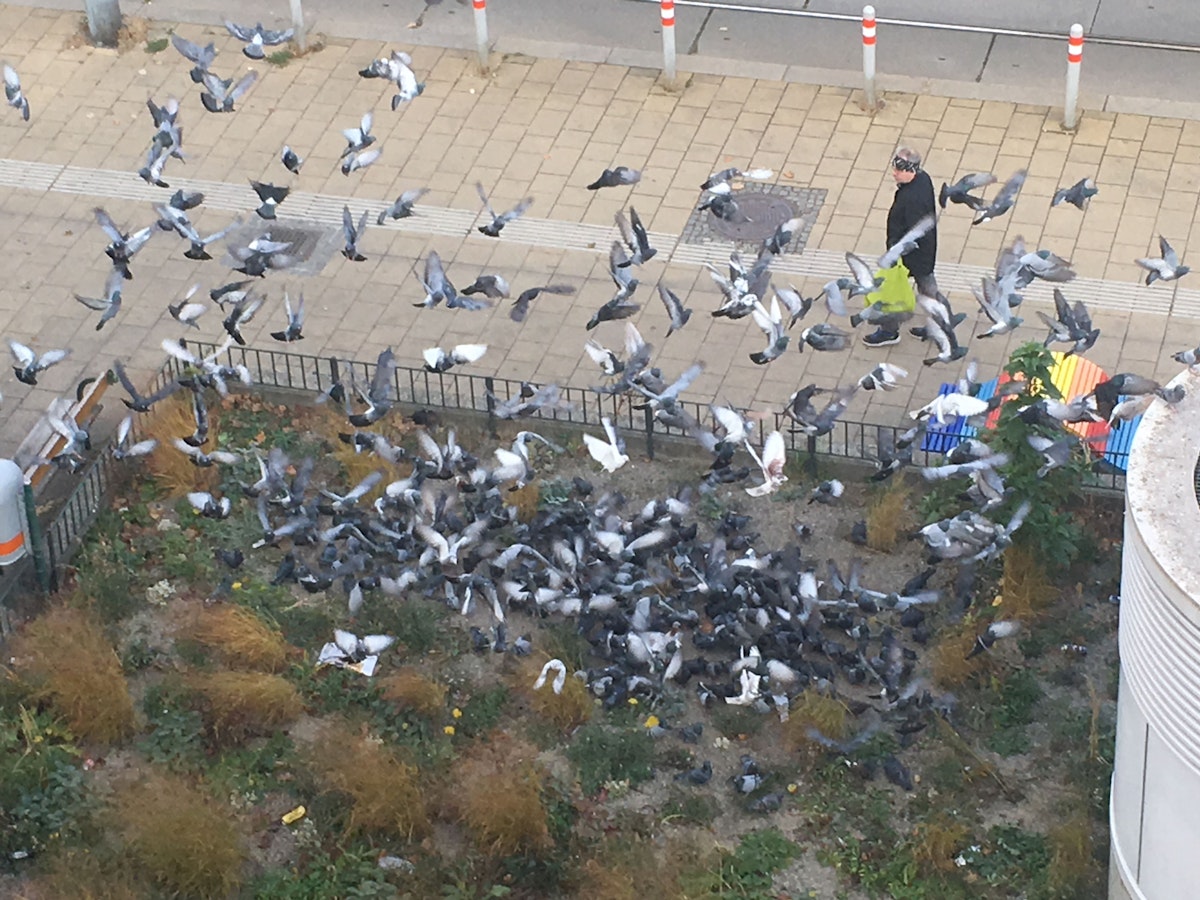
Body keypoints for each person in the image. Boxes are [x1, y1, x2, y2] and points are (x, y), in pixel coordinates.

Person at [863, 147, 939, 347]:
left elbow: (912, 231)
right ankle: (939, 324)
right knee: (928, 287)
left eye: (898, 170)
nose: (894, 173)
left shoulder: (914, 199)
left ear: (910, 170)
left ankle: (889, 331)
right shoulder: (923, 179)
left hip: (909, 254)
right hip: (925, 252)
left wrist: (894, 252)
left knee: (890, 291)